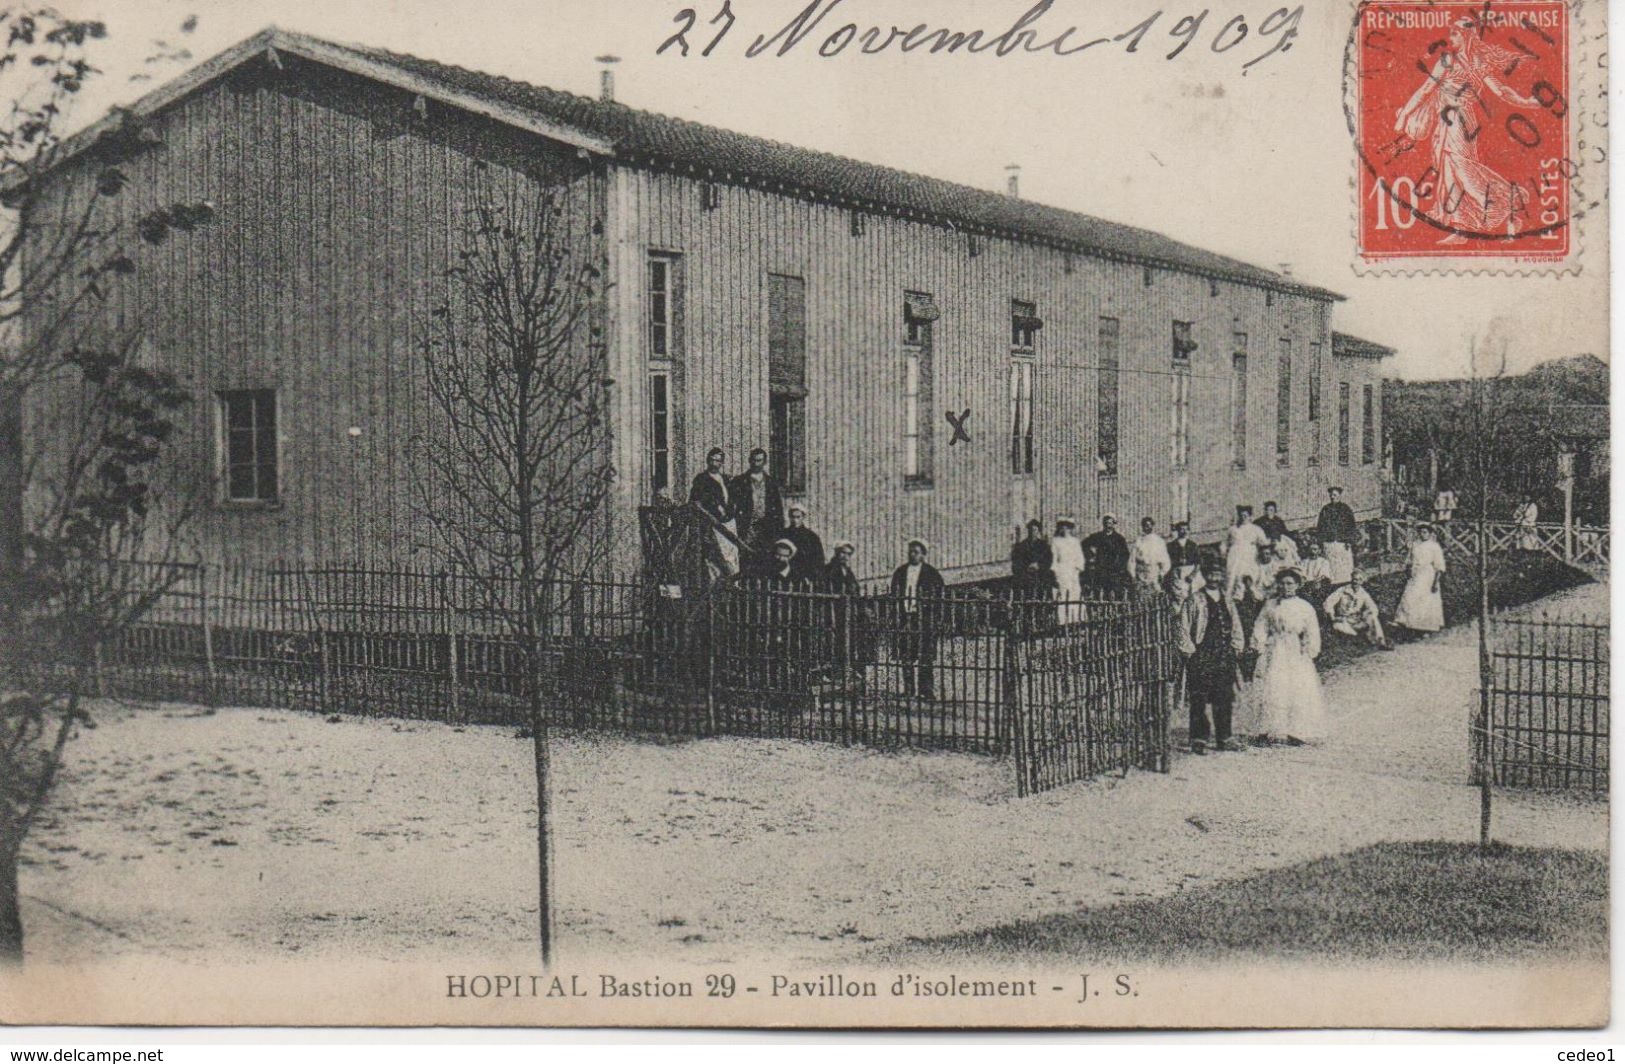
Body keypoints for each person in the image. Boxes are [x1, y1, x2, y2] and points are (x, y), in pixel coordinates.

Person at [1389, 17, 1545, 244]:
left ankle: (1510, 205)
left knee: (1464, 171)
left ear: (1465, 36)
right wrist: (1405, 114)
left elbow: (1501, 91)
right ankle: (1461, 229)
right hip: (1449, 121)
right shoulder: (1452, 61)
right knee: (1451, 173)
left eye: (1454, 34)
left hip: (1461, 122)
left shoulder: (1470, 63)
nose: (1450, 38)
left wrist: (1528, 102)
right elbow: (1426, 90)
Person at [1245, 569, 1327, 745]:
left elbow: (1312, 631)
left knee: (1296, 687)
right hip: (1274, 649)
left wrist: (1309, 650)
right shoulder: (1270, 604)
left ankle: (1296, 731)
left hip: (1295, 650)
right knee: (1272, 686)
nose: (1285, 587)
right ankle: (1267, 730)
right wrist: (1259, 644)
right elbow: (1261, 625)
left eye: (1290, 583)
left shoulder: (1305, 607)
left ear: (1297, 585)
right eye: (1282, 583)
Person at [1178, 559, 1246, 755]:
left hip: (1224, 655)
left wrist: (1237, 644)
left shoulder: (1227, 600)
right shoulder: (1195, 600)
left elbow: (1236, 625)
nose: (1214, 578)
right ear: (1205, 576)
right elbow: (1182, 626)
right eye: (1211, 575)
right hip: (1202, 654)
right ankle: (1198, 738)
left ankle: (1224, 737)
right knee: (1199, 697)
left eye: (1218, 575)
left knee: (1223, 696)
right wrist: (1189, 651)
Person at [890, 539, 945, 700]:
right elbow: (894, 595)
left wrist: (936, 618)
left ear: (923, 555)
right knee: (906, 655)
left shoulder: (931, 573)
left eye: (916, 552)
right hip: (905, 617)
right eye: (910, 551)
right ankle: (908, 689)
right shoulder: (900, 572)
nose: (912, 555)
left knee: (925, 655)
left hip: (924, 619)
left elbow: (939, 597)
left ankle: (926, 690)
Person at [689, 447, 739, 580]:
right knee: (719, 554)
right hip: (713, 523)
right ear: (707, 461)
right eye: (712, 460)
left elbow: (732, 498)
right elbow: (696, 501)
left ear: (722, 463)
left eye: (718, 461)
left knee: (732, 551)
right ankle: (723, 579)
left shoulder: (726, 479)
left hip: (729, 522)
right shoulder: (702, 479)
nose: (714, 463)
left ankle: (733, 581)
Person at [1393, 523, 1447, 633]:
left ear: (1430, 534)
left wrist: (1436, 582)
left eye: (1425, 532)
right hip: (1415, 574)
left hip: (1428, 575)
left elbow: (1439, 566)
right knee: (1409, 596)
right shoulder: (1415, 544)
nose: (1422, 534)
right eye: (1421, 532)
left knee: (1425, 600)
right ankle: (1405, 622)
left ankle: (1425, 627)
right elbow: (1409, 559)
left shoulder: (1434, 546)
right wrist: (1408, 570)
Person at [731, 447, 786, 550]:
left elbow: (778, 509)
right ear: (749, 461)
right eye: (754, 460)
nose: (756, 464)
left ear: (764, 462)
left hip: (766, 529)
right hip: (747, 527)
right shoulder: (739, 481)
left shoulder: (771, 483)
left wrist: (779, 532)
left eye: (759, 460)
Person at [1324, 570, 1393, 649]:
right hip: (1344, 619)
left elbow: (1373, 607)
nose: (1356, 582)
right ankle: (1357, 639)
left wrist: (1366, 614)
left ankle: (1381, 642)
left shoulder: (1363, 593)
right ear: (1351, 579)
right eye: (1354, 579)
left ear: (1362, 581)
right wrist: (1332, 617)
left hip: (1357, 619)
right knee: (1337, 626)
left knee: (1373, 618)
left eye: (1359, 580)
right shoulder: (1343, 590)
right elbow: (1328, 602)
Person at [1223, 505, 1268, 601]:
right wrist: (1224, 553)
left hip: (1250, 553)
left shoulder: (1256, 529)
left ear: (1250, 517)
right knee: (1235, 573)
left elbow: (1264, 542)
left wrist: (1263, 551)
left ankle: (1255, 594)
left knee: (1252, 572)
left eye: (1245, 516)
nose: (1243, 518)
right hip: (1235, 554)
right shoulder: (1233, 529)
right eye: (1241, 515)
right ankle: (1236, 595)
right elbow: (1225, 543)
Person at [1315, 486, 1358, 584]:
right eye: (1331, 495)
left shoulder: (1346, 509)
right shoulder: (1325, 509)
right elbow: (1320, 526)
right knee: (1331, 565)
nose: (1332, 497)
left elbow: (1351, 526)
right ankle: (1332, 582)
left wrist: (1349, 540)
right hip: (1329, 542)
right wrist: (1321, 541)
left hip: (1342, 542)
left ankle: (1346, 582)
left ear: (1339, 496)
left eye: (1335, 495)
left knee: (1344, 565)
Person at [1082, 514, 1131, 594]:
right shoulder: (1098, 536)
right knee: (1100, 592)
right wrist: (1090, 556)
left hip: (1114, 572)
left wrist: (1119, 567)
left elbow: (1125, 555)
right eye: (1106, 523)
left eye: (1110, 523)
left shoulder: (1119, 539)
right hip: (1100, 570)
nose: (1108, 526)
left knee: (1114, 593)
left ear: (1114, 524)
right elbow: (1084, 544)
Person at [1050, 517, 1086, 624]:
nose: (1064, 529)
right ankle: (1063, 622)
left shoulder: (1075, 542)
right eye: (1062, 526)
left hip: (1073, 572)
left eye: (1067, 527)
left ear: (1070, 529)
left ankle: (1076, 620)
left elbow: (1080, 558)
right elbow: (1054, 559)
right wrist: (1056, 572)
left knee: (1075, 594)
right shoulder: (1056, 541)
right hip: (1062, 572)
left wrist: (1077, 570)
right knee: (1063, 595)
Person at [1010, 519, 1055, 600]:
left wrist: (1039, 565)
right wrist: (1027, 566)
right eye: (1030, 530)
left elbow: (1049, 560)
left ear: (1038, 531)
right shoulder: (1022, 546)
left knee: (1042, 596)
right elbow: (1016, 561)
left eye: (1034, 530)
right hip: (1027, 578)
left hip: (1040, 577)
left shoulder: (1043, 546)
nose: (1032, 532)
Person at [781, 502, 825, 583]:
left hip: (805, 577)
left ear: (803, 517)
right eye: (792, 517)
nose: (795, 520)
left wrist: (811, 575)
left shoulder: (811, 537)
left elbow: (818, 559)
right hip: (786, 575)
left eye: (798, 517)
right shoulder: (783, 534)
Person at [1130, 516, 1172, 589]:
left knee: (1155, 593)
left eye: (1149, 525)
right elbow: (1132, 560)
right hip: (1141, 572)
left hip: (1154, 571)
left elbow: (1165, 560)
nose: (1147, 527)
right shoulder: (1138, 541)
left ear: (1153, 526)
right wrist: (1133, 575)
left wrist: (1162, 573)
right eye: (1145, 526)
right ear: (1142, 527)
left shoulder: (1159, 541)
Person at [1167, 520, 1202, 593]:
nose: (1185, 531)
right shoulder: (1171, 546)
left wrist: (1192, 575)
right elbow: (1168, 563)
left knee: (1194, 592)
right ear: (1178, 531)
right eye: (1182, 529)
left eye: (1187, 529)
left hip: (1191, 571)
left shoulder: (1193, 545)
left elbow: (1198, 563)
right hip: (1177, 573)